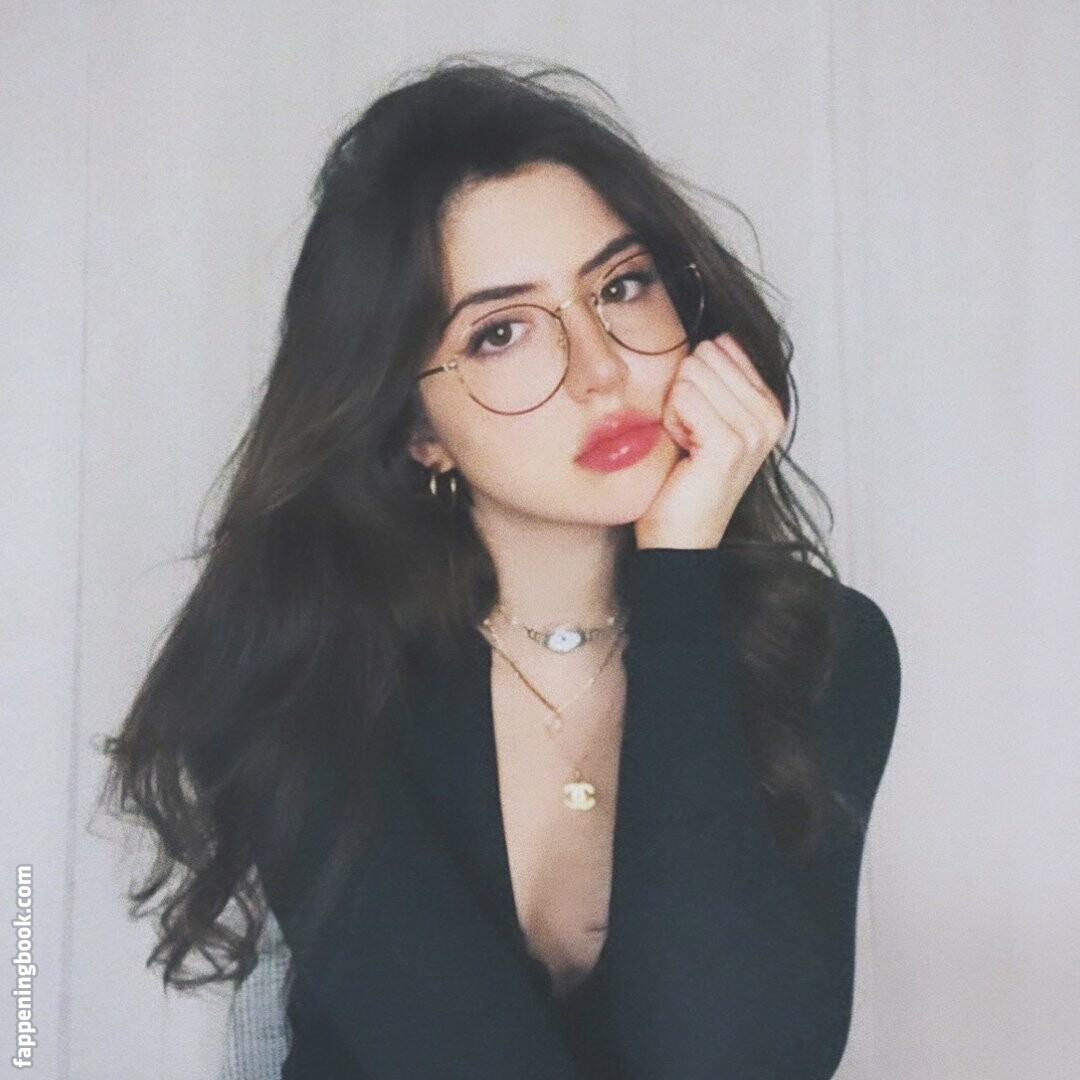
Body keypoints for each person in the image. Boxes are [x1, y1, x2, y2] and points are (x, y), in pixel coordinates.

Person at [103, 57, 901, 1079]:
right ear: (416, 429)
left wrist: (678, 576)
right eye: (501, 333)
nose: (602, 368)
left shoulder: (823, 649)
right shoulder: (302, 668)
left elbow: (725, 1058)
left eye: (622, 285)